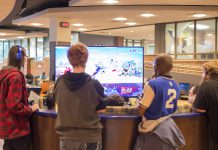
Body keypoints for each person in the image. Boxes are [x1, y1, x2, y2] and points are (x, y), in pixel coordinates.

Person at [53, 43, 106, 150]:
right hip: (89, 138)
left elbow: (57, 101)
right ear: (86, 59)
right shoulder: (94, 84)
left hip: (65, 139)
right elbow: (102, 110)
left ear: (69, 59)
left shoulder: (59, 82)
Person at [134, 54, 185, 150]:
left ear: (156, 66)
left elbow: (140, 111)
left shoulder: (153, 84)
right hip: (169, 130)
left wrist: (138, 101)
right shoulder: (176, 85)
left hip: (154, 132)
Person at [0, 45, 39, 150]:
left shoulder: (3, 74)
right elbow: (13, 104)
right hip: (18, 130)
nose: (25, 59)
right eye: (25, 56)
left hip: (7, 129)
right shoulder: (16, 76)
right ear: (21, 58)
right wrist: (30, 109)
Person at [193, 61, 218, 150]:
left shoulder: (207, 85)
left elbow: (199, 109)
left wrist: (193, 101)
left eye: (202, 72)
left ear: (208, 73)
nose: (201, 75)